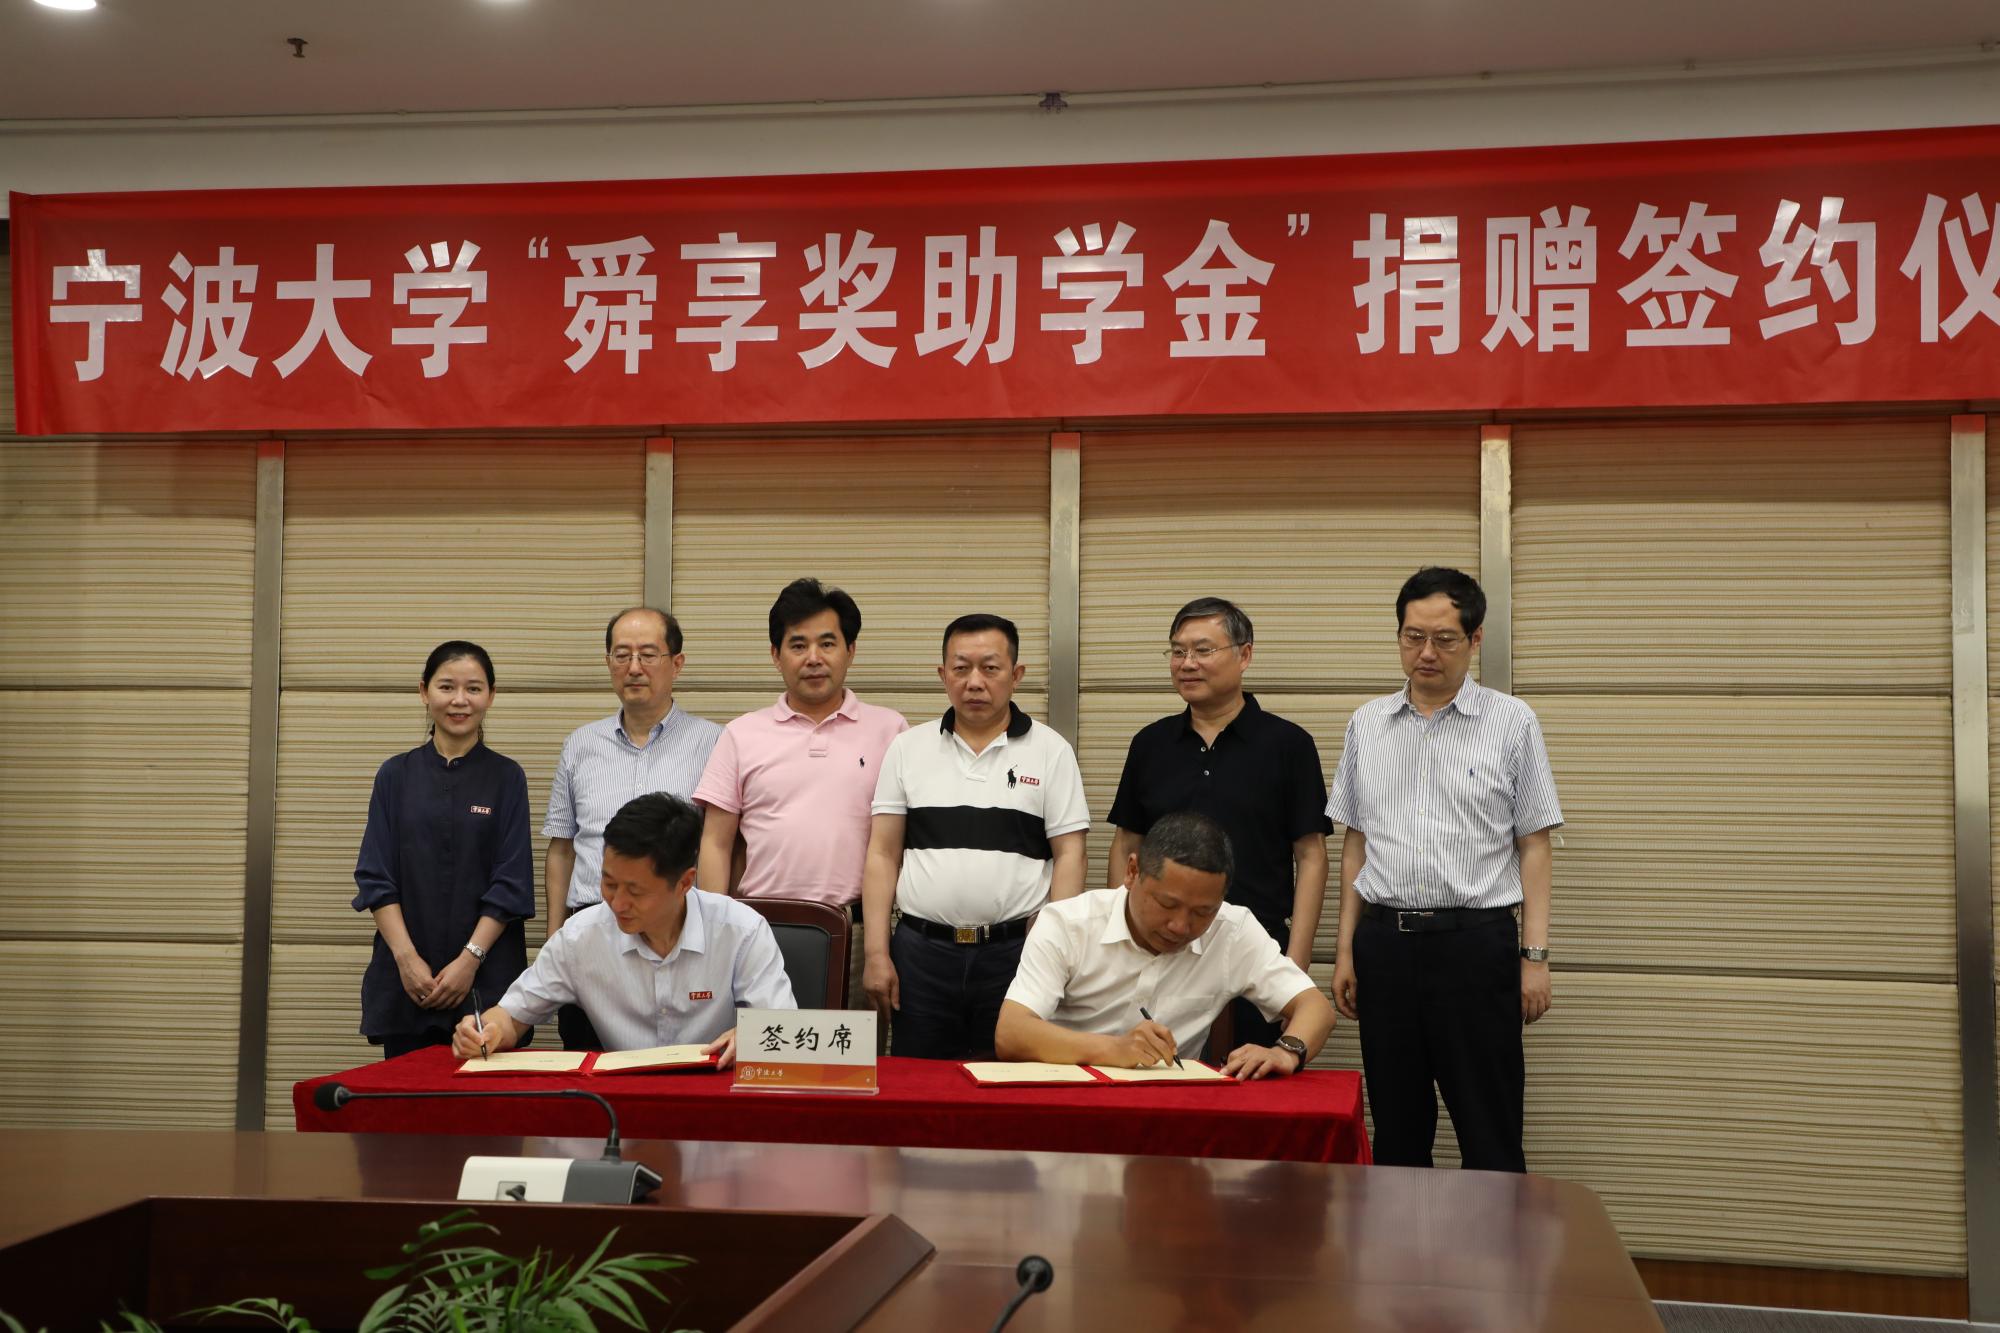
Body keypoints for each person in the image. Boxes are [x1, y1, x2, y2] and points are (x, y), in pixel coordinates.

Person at [1328, 566, 1563, 1172]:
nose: (1426, 653)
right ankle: (1401, 1237)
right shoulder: (1367, 724)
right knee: (1398, 1133)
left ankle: (1497, 1239)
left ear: (1475, 639)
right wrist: (1345, 951)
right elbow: (1356, 843)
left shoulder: (1512, 722)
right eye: (1413, 637)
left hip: (1475, 947)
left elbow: (1535, 845)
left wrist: (1534, 957)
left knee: (1490, 1131)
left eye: (1444, 639)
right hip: (1385, 944)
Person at [1105, 596, 1330, 1054]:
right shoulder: (1150, 743)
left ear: (1244, 655)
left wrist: (1295, 962)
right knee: (1154, 1071)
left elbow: (1311, 857)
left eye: (1203, 650)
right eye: (1178, 651)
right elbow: (1128, 843)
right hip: (1162, 947)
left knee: (1250, 1077)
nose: (1187, 663)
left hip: (1254, 951)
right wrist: (1123, 940)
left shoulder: (1288, 745)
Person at [860, 613, 1089, 1059]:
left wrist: (1051, 945)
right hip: (921, 955)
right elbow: (883, 854)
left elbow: (1071, 855)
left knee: (1009, 1080)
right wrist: (875, 954)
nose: (975, 682)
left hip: (1015, 953)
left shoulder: (1051, 751)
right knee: (919, 1082)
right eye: (961, 668)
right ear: (943, 675)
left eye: (990, 668)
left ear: (1016, 675)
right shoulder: (908, 749)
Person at [453, 792, 795, 1065]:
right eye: (609, 883)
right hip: (620, 1106)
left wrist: (751, 1038)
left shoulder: (741, 931)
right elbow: (512, 1016)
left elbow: (785, 1030)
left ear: (684, 882)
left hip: (716, 1102)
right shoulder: (580, 937)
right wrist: (486, 1031)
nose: (617, 903)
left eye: (635, 891)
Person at [995, 812, 1334, 1078]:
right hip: (1068, 1100)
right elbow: (1012, 1032)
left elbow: (1315, 1008)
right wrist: (1114, 1049)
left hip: (1170, 1109)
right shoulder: (1067, 924)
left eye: (1203, 912)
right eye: (1167, 904)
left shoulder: (1232, 930)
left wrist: (1286, 1051)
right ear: (1132, 872)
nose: (1181, 926)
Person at [693, 579, 906, 1000]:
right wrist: (713, 939)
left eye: (827, 643)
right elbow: (716, 843)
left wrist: (879, 951)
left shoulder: (891, 730)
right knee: (760, 1044)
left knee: (849, 1045)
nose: (813, 658)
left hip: (856, 935)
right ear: (776, 655)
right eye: (798, 645)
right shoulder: (741, 734)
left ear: (850, 651)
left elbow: (896, 845)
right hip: (757, 931)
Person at [543, 606, 722, 1049]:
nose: (634, 667)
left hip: (676, 932)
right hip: (591, 930)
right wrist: (555, 937)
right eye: (622, 655)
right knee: (586, 1063)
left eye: (648, 654)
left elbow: (721, 843)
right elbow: (562, 848)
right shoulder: (580, 744)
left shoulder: (714, 742)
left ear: (676, 663)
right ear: (608, 662)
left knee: (679, 1064)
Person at [353, 640, 534, 1060]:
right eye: (447, 686)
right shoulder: (394, 775)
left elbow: (511, 883)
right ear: (424, 691)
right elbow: (376, 877)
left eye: (474, 688)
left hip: (485, 978)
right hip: (408, 981)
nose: (459, 700)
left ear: (491, 696)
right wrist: (407, 960)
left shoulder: (507, 778)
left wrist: (469, 961)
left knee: (486, 1099)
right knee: (407, 1095)